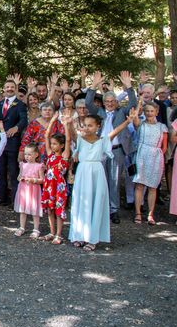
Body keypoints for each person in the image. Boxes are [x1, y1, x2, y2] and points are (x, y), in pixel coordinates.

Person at [69, 112, 134, 251]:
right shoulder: (80, 139)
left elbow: (115, 132)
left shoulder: (103, 140)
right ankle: (79, 235)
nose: (87, 128)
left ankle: (93, 238)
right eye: (85, 125)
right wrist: (68, 123)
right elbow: (73, 135)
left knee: (95, 202)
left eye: (90, 125)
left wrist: (128, 122)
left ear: (98, 126)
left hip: (96, 172)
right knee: (82, 201)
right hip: (82, 172)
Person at [85, 70, 136, 224]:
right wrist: (94, 85)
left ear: (116, 101)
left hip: (116, 150)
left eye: (112, 101)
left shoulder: (122, 112)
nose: (109, 104)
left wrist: (128, 87)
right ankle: (101, 208)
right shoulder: (99, 112)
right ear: (104, 102)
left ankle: (114, 211)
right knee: (101, 180)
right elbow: (87, 103)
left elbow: (133, 104)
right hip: (100, 151)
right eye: (107, 101)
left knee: (114, 181)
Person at [130, 101, 167, 225]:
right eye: (147, 111)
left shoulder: (162, 127)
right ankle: (138, 213)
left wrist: (158, 157)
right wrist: (140, 101)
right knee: (139, 185)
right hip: (141, 155)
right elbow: (134, 116)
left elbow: (164, 146)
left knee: (152, 187)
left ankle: (151, 214)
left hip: (156, 157)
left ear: (156, 112)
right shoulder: (141, 124)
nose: (149, 113)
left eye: (152, 111)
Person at [0, 77, 28, 206]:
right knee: (0, 171)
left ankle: (15, 200)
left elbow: (24, 120)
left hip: (13, 143)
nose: (9, 89)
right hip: (0, 143)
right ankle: (2, 198)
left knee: (13, 172)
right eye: (7, 87)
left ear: (15, 89)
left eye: (12, 87)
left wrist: (17, 127)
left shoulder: (20, 105)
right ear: (4, 89)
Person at [41, 114, 72, 245]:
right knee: (50, 209)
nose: (52, 146)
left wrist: (65, 124)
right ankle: (52, 231)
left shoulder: (64, 156)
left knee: (59, 210)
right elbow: (46, 136)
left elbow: (69, 140)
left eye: (55, 144)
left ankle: (59, 234)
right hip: (49, 185)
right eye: (52, 144)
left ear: (61, 145)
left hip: (59, 185)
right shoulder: (50, 155)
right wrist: (53, 120)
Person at [13, 143, 44, 238]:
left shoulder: (39, 166)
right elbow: (19, 176)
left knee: (35, 209)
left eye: (29, 154)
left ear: (36, 155)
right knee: (23, 209)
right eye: (26, 154)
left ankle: (36, 229)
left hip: (33, 190)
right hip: (23, 189)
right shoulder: (23, 165)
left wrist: (33, 180)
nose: (27, 156)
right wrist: (20, 178)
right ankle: (22, 227)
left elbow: (42, 180)